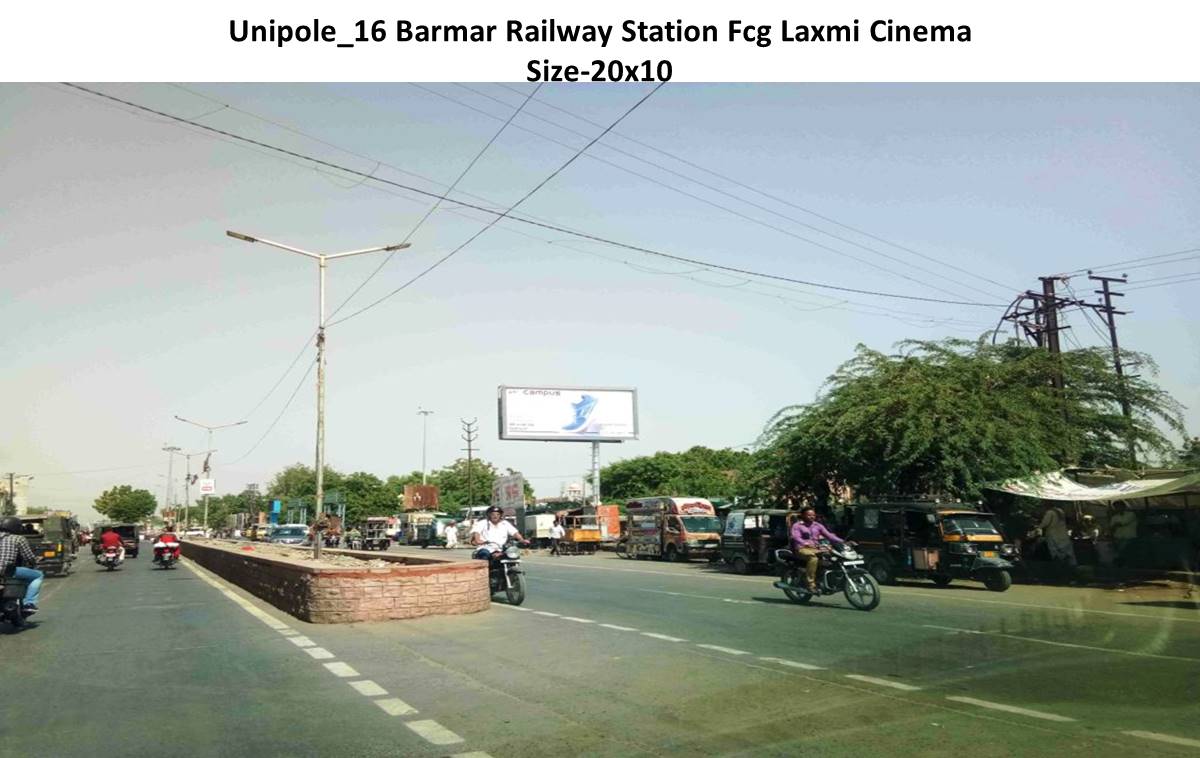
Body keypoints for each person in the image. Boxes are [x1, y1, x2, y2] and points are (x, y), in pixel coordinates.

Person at [777, 506, 844, 592]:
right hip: (802, 549)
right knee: (813, 558)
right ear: (803, 515)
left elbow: (829, 535)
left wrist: (843, 541)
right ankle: (810, 583)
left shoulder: (818, 525)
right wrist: (805, 543)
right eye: (809, 515)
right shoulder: (797, 526)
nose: (812, 517)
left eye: (813, 515)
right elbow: (795, 537)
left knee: (832, 556)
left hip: (816, 548)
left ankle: (827, 578)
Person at [0, 515, 43, 616]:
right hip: (7, 571)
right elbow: (29, 557)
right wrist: (35, 561)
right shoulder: (18, 538)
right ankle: (29, 603)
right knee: (38, 575)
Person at [1036, 502, 1076, 568]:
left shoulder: (1049, 512)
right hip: (1063, 535)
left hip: (1053, 535)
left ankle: (1057, 567)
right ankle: (1070, 567)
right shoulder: (1060, 511)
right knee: (1066, 551)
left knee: (1055, 552)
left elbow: (1044, 523)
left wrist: (1038, 527)